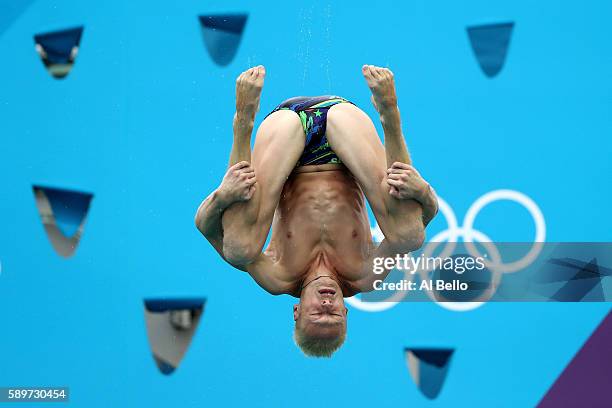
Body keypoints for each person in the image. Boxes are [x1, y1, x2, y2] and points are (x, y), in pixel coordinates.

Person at [195, 65, 438, 357]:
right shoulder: (365, 275)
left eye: (316, 315)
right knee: (408, 236)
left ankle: (243, 121)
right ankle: (390, 115)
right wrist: (423, 191)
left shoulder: (278, 276)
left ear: (296, 311)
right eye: (334, 315)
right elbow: (417, 224)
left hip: (286, 138)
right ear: (346, 312)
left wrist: (223, 196)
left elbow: (205, 226)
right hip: (345, 131)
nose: (326, 306)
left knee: (238, 248)